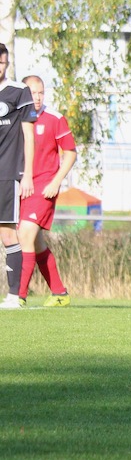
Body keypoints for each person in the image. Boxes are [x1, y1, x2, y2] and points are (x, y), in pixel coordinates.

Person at [16, 75, 77, 307]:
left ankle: (19, 296)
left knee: (25, 234)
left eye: (41, 92)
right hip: (22, 186)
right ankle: (60, 293)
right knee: (36, 243)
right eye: (33, 93)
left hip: (43, 187)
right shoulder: (16, 117)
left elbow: (70, 153)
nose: (38, 97)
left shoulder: (54, 118)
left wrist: (56, 181)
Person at [0, 45, 36, 309]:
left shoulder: (18, 91)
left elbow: (28, 135)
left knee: (7, 234)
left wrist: (28, 175)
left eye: (2, 63)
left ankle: (15, 295)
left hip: (7, 173)